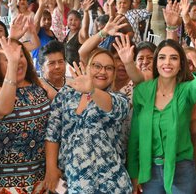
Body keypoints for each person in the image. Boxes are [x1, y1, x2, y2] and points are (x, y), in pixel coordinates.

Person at [128, 37, 196, 194]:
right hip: (149, 170)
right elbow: (135, 137)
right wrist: (134, 173)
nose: (167, 62)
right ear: (156, 63)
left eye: (173, 58)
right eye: (162, 57)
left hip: (181, 169)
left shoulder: (185, 90)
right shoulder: (142, 91)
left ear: (181, 65)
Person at [44, 48, 132, 193]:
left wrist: (92, 90)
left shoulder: (119, 99)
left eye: (108, 68)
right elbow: (52, 133)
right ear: (88, 67)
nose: (102, 72)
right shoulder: (66, 94)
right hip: (73, 181)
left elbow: (114, 109)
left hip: (111, 183)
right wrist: (51, 167)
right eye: (97, 66)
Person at [0, 38, 52, 193]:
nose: (17, 61)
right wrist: (13, 64)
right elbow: (4, 107)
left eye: (20, 55)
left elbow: (60, 104)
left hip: (41, 176)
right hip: (10, 181)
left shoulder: (37, 85)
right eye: (8, 58)